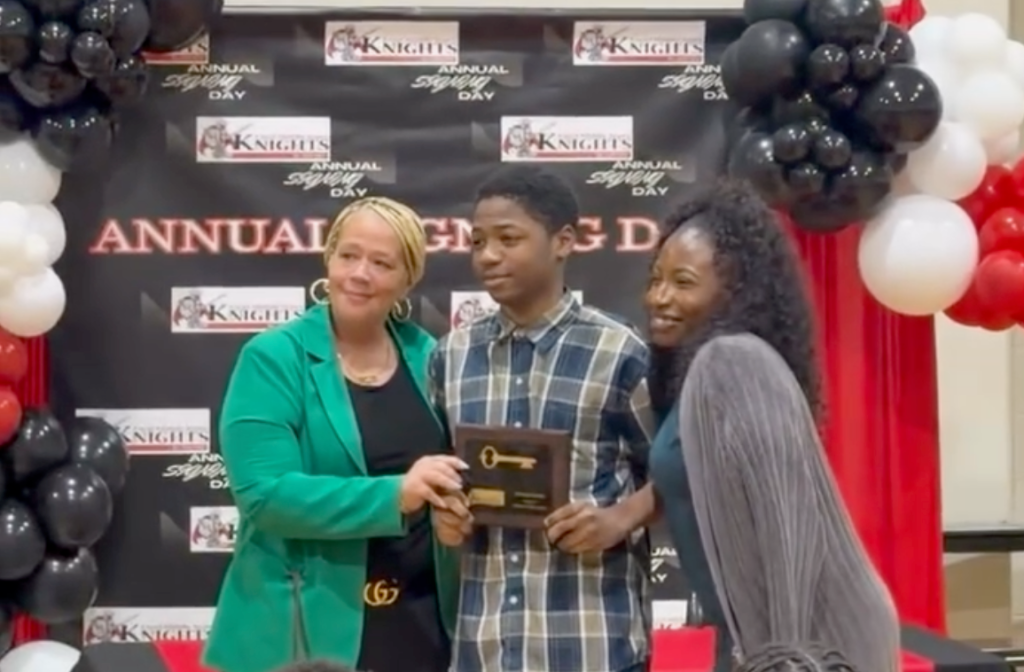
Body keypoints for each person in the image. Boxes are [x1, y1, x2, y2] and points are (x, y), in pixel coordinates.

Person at [645, 181, 899, 672]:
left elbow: (788, 522)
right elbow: (688, 475)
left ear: (735, 288)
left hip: (814, 636)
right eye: (656, 279)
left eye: (683, 282)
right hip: (755, 633)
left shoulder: (732, 361)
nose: (659, 297)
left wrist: (785, 656)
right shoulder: (706, 369)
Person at [203, 197, 464, 672]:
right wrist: (396, 494)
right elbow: (264, 495)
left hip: (420, 622)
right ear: (329, 258)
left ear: (409, 278)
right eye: (349, 255)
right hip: (303, 631)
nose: (360, 273)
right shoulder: (273, 358)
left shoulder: (430, 356)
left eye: (382, 263)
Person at [430, 165, 657, 672]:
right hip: (485, 647)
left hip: (594, 644)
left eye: (508, 239)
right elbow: (446, 482)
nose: (488, 256)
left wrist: (620, 518)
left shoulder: (620, 352)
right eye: (478, 241)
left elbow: (682, 476)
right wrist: (447, 518)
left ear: (563, 242)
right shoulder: (451, 356)